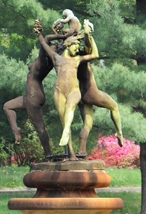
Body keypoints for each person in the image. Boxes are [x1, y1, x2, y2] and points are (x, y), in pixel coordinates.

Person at [34, 19, 99, 160]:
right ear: (67, 45)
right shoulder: (56, 58)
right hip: (59, 91)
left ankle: (66, 130)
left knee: (71, 106)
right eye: (75, 45)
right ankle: (71, 153)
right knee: (64, 120)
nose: (77, 49)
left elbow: (95, 55)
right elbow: (44, 43)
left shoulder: (77, 60)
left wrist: (89, 35)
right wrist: (39, 33)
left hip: (74, 90)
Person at [3, 31, 65, 159]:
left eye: (51, 47)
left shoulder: (44, 59)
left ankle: (48, 154)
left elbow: (46, 39)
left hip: (33, 95)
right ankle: (16, 129)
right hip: (32, 94)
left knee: (39, 127)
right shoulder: (47, 61)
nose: (49, 46)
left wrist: (61, 36)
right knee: (7, 106)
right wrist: (61, 36)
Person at [77, 25, 123, 155]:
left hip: (82, 94)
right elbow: (94, 53)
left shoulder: (74, 60)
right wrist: (88, 36)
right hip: (92, 92)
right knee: (114, 106)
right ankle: (119, 132)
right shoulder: (83, 59)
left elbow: (85, 47)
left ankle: (81, 150)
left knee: (87, 125)